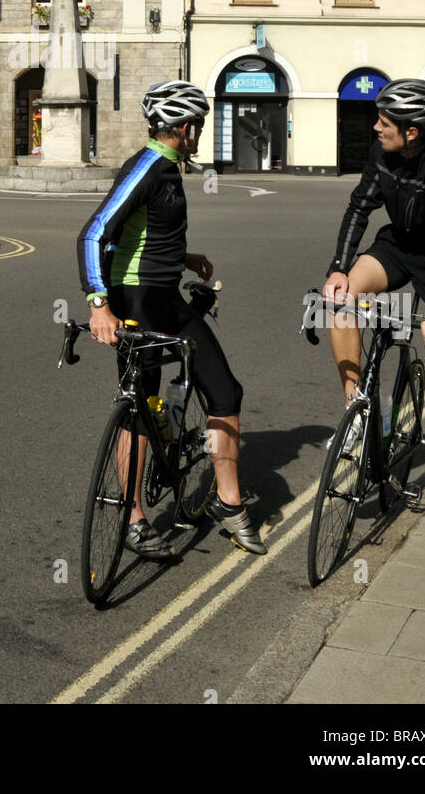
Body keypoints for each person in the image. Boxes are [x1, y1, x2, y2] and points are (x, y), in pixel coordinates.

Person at [76, 80, 266, 558]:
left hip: (165, 297)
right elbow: (93, 233)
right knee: (140, 405)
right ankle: (135, 517)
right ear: (184, 128)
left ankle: (227, 501)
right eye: (197, 125)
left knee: (225, 391)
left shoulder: (166, 169)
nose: (198, 133)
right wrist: (99, 304)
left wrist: (184, 256)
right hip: (136, 305)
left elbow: (146, 234)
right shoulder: (148, 168)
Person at [322, 79, 425, 538]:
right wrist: (338, 267)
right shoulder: (383, 153)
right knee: (338, 298)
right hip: (400, 246)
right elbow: (360, 207)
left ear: (412, 132)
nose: (375, 127)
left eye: (385, 122)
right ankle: (356, 410)